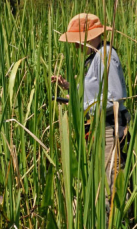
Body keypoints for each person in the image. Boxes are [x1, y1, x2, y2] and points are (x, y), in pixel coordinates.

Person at [51, 13, 130, 213]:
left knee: (110, 185)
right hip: (100, 127)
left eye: (77, 41)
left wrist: (84, 106)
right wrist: (70, 88)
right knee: (102, 182)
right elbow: (96, 90)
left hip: (112, 128)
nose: (76, 46)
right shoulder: (95, 56)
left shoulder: (106, 55)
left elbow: (115, 96)